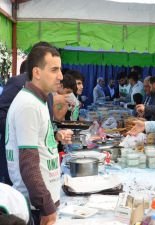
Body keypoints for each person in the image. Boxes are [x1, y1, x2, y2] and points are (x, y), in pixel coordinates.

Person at [6, 46, 73, 225]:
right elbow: (28, 164)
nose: (60, 76)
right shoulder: (28, 104)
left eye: (60, 69)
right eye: (54, 70)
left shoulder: (39, 100)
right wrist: (46, 207)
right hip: (35, 207)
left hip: (43, 201)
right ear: (36, 72)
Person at [0, 42, 55, 185]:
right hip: (18, 159)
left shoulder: (47, 91)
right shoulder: (18, 83)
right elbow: (1, 113)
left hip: (42, 161)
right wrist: (24, 129)